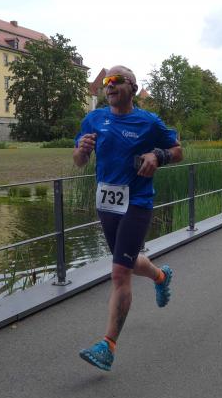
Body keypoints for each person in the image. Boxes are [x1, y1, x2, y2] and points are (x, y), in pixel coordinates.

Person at [73, 65, 183, 371]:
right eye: (107, 81)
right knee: (129, 262)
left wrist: (158, 156)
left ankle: (107, 346)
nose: (109, 85)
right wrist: (82, 151)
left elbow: (177, 150)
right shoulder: (94, 119)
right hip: (107, 203)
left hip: (137, 203)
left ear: (133, 87)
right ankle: (161, 276)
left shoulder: (149, 122)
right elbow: (79, 161)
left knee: (120, 273)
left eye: (117, 80)